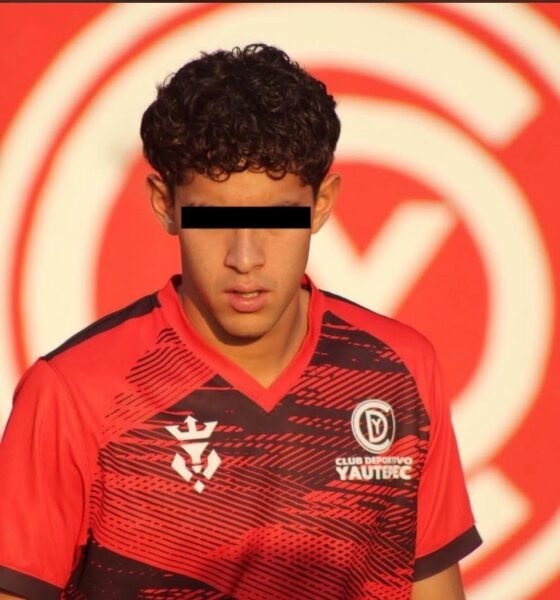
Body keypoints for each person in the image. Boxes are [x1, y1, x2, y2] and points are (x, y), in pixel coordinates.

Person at [0, 43, 481, 600]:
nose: (245, 258)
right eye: (213, 220)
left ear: (323, 203)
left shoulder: (400, 371)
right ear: (165, 204)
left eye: (277, 219)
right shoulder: (72, 393)